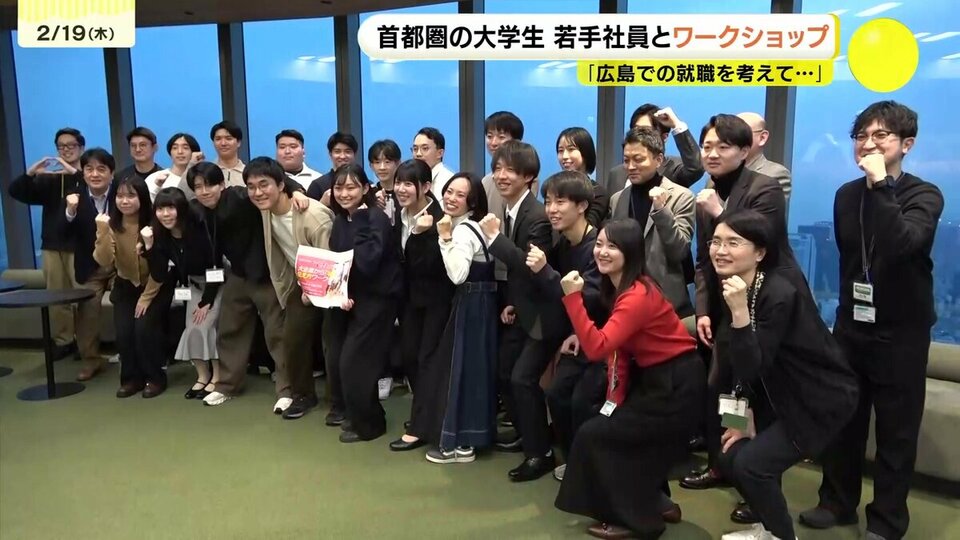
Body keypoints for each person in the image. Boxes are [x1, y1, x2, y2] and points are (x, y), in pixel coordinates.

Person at [800, 101, 945, 540]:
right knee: (844, 419)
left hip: (902, 332)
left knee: (896, 433)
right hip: (853, 325)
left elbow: (902, 245)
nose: (867, 144)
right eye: (861, 136)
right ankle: (836, 502)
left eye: (880, 135)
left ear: (907, 144)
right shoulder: (846, 195)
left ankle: (886, 521)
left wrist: (882, 184)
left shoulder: (924, 195)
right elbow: (849, 260)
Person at [684, 113, 813, 526]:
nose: (712, 153)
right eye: (707, 146)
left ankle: (758, 488)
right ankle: (724, 465)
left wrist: (720, 211)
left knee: (760, 392)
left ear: (745, 151)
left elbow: (760, 244)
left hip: (764, 301)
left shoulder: (764, 187)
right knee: (723, 388)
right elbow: (706, 260)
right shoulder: (707, 191)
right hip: (727, 305)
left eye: (723, 146)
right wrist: (704, 310)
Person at [708, 210, 858, 540]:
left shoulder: (779, 294)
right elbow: (737, 363)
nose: (721, 250)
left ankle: (782, 536)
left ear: (760, 252)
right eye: (716, 241)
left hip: (818, 399)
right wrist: (741, 415)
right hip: (778, 395)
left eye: (733, 243)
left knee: (753, 465)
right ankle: (765, 529)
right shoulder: (736, 286)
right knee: (729, 456)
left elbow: (752, 363)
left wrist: (739, 313)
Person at [554, 218, 702, 540]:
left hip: (675, 385)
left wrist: (573, 299)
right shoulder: (622, 288)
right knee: (603, 425)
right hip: (658, 380)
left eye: (613, 246)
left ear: (631, 252)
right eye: (599, 244)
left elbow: (598, 347)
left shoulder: (636, 295)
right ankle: (658, 503)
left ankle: (636, 520)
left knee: (597, 435)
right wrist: (613, 401)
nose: (602, 252)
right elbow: (618, 353)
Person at [184, 161, 309, 408]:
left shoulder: (239, 197)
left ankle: (286, 390)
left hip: (267, 275)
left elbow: (274, 181)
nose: (204, 191)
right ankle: (227, 386)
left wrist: (296, 191)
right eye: (198, 187)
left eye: (209, 185)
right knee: (229, 329)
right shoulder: (200, 211)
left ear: (222, 184)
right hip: (238, 275)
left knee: (277, 334)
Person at [526, 171, 606, 482]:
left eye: (560, 202)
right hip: (579, 336)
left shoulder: (598, 246)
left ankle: (589, 466)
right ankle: (575, 460)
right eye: (548, 202)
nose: (552, 209)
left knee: (582, 401)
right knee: (558, 395)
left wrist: (545, 271)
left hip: (606, 339)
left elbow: (589, 298)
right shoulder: (564, 243)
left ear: (582, 205)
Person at [483, 140, 556, 481]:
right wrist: (512, 301)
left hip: (545, 315)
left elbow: (531, 267)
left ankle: (541, 454)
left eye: (510, 170)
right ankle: (528, 433)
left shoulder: (537, 215)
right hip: (522, 309)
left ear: (528, 176)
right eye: (497, 168)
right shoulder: (512, 209)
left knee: (522, 379)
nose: (501, 175)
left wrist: (495, 239)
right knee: (503, 372)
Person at [246, 157, 334, 419]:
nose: (257, 192)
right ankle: (303, 395)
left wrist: (315, 290)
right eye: (251, 187)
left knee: (332, 341)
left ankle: (339, 400)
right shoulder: (264, 209)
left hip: (333, 281)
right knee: (292, 338)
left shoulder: (313, 216)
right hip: (301, 281)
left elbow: (330, 259)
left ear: (281, 185)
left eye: (264, 185)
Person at [325, 163, 402, 442]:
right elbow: (338, 263)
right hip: (350, 300)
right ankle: (360, 416)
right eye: (339, 187)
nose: (344, 193)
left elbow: (368, 263)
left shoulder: (374, 218)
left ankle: (370, 426)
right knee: (343, 361)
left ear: (365, 188)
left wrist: (358, 220)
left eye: (351, 187)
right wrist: (340, 294)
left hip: (378, 300)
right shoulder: (339, 220)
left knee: (356, 363)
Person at [425, 172, 497, 464]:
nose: (451, 198)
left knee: (462, 370)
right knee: (474, 370)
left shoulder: (464, 231)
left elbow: (457, 275)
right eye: (449, 191)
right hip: (480, 303)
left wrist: (444, 238)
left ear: (472, 201)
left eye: (460, 195)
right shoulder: (471, 226)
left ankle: (460, 444)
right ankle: (469, 439)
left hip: (471, 302)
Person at [387, 159, 455, 452]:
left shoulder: (439, 219)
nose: (401, 189)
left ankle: (420, 427)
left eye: (408, 183)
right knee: (410, 358)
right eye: (398, 182)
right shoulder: (398, 213)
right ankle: (424, 417)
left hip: (435, 302)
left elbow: (431, 266)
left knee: (427, 360)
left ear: (426, 187)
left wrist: (418, 235)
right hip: (409, 301)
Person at [92, 176, 171, 398]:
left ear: (142, 197)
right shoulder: (111, 225)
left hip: (155, 285)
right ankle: (130, 379)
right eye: (119, 196)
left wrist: (146, 297)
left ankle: (155, 378)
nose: (124, 201)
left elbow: (161, 267)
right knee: (124, 333)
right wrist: (102, 231)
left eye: (130, 195)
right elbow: (104, 260)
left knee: (143, 329)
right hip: (125, 285)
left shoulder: (154, 224)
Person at [8, 127, 84, 357]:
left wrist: (74, 173)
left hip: (80, 245)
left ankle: (85, 343)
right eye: (61, 146)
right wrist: (30, 173)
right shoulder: (50, 179)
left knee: (84, 296)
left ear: (81, 147)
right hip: (52, 246)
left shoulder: (86, 176)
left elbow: (93, 192)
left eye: (71, 145)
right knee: (56, 296)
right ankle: (64, 341)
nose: (66, 150)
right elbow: (16, 192)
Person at [608, 127, 696, 320]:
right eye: (626, 160)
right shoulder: (617, 199)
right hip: (627, 299)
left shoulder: (681, 197)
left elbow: (679, 251)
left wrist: (661, 210)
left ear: (659, 159)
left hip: (667, 303)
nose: (631, 166)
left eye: (638, 159)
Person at [145, 187, 223, 400]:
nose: (165, 214)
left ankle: (218, 376)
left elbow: (216, 266)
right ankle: (202, 376)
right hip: (192, 286)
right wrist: (150, 247)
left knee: (206, 326)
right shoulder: (162, 236)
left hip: (216, 284)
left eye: (170, 208)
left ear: (181, 209)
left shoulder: (199, 229)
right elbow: (159, 273)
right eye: (160, 209)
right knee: (191, 329)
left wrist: (206, 301)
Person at [62, 148, 119, 381]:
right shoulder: (73, 197)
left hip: (120, 264)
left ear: (111, 173)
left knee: (129, 305)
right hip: (90, 267)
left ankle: (132, 355)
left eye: (101, 169)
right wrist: (70, 211)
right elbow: (62, 232)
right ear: (83, 173)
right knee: (87, 314)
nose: (95, 174)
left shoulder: (122, 193)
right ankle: (91, 360)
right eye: (89, 169)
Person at [604, 105, 704, 194]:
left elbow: (696, 168)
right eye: (636, 130)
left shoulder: (674, 168)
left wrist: (676, 124)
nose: (640, 136)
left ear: (664, 137)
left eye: (647, 131)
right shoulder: (616, 174)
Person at [736, 112, 792, 218]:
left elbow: (762, 221)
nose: (733, 139)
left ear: (762, 138)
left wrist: (717, 211)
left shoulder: (775, 174)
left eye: (741, 133)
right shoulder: (716, 177)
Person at [556, 127, 609, 227]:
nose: (564, 156)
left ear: (586, 152)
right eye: (560, 151)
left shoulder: (597, 193)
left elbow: (588, 226)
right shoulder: (554, 189)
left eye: (571, 149)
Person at [145, 133, 203, 201]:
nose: (180, 152)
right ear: (170, 152)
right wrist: (157, 186)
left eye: (185, 148)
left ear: (194, 152)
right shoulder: (154, 178)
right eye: (175, 148)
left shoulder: (200, 179)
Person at [306, 132, 359, 201]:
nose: (342, 156)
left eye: (347, 151)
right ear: (330, 154)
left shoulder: (364, 183)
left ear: (355, 154)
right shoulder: (317, 185)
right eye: (337, 151)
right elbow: (310, 208)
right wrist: (322, 203)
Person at [413, 127, 454, 200]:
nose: (418, 154)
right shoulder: (413, 178)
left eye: (425, 148)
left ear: (440, 153)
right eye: (415, 149)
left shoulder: (450, 180)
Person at [210, 120, 245, 187]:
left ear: (238, 142)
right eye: (218, 139)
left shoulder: (248, 173)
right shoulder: (207, 172)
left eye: (228, 138)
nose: (223, 143)